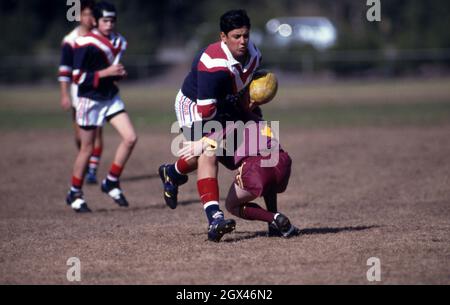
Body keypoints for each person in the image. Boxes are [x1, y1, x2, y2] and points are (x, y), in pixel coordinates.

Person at [159, 9, 262, 241]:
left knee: (215, 146)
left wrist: (251, 105)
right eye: (236, 36)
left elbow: (247, 84)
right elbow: (208, 111)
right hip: (195, 106)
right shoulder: (211, 63)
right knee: (210, 149)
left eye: (246, 35)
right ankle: (215, 218)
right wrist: (231, 124)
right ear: (223, 37)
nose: (243, 41)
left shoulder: (255, 54)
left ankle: (172, 171)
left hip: (223, 103)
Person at [65, 1, 137, 213]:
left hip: (110, 97)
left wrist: (120, 75)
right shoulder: (84, 42)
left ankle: (111, 181)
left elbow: (113, 71)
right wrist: (107, 73)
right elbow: (77, 77)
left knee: (130, 138)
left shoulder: (119, 41)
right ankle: (75, 192)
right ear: (95, 21)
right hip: (89, 100)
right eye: (105, 20)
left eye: (112, 20)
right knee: (87, 149)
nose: (109, 24)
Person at [58, 0, 102, 184]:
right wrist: (65, 94)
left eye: (92, 14)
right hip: (78, 92)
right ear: (79, 16)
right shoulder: (70, 40)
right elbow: (65, 70)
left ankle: (92, 170)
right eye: (85, 14)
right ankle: (85, 161)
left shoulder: (100, 38)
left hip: (97, 91)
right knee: (81, 135)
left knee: (97, 131)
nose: (89, 18)